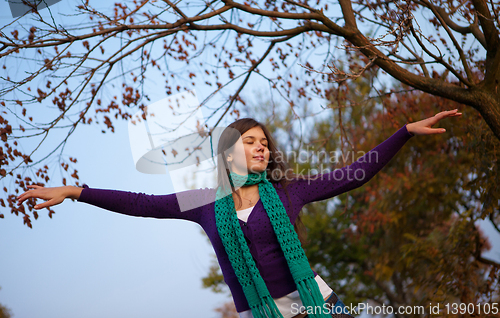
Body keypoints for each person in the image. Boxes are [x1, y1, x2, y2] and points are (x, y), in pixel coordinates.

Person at [16, 109, 462, 318]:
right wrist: (76, 191)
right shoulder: (204, 204)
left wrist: (403, 132)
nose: (262, 146)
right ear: (229, 154)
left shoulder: (289, 192)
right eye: (251, 141)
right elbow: (141, 205)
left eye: (265, 142)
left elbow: (354, 174)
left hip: (319, 307)